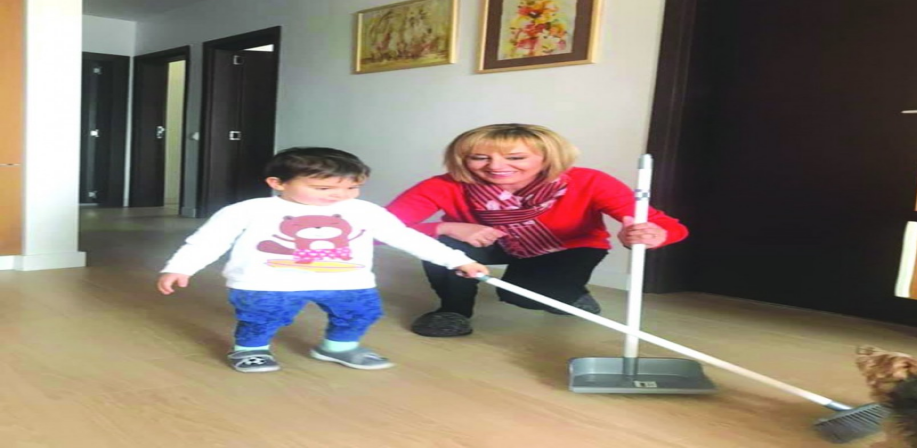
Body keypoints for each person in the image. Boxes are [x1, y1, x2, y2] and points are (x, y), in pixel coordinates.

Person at [158, 147, 488, 373]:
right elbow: (209, 240)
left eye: (351, 187)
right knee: (263, 316)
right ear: (277, 183)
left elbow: (405, 236)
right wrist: (180, 267)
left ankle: (338, 347)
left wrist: (455, 260)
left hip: (348, 280)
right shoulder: (249, 210)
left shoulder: (363, 211)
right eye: (323, 188)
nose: (339, 196)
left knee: (360, 312)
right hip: (266, 281)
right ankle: (251, 349)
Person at [385, 124, 688, 337]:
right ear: (463, 159)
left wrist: (649, 235)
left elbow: (668, 227)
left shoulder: (590, 181)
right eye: (480, 157)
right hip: (491, 243)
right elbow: (376, 228)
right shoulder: (443, 185)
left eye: (516, 158)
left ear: (547, 158)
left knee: (525, 297)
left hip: (566, 247)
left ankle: (572, 294)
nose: (495, 166)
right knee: (443, 244)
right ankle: (453, 310)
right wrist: (446, 226)